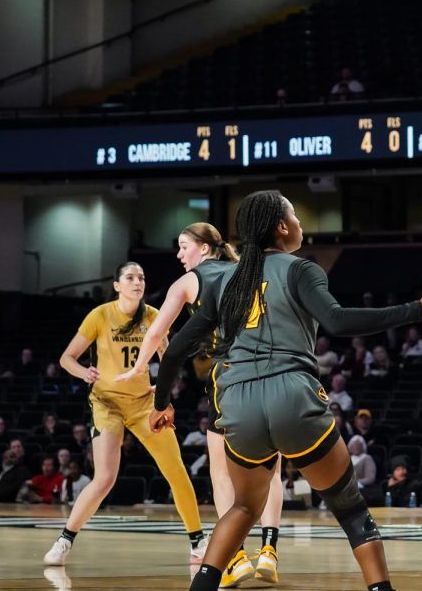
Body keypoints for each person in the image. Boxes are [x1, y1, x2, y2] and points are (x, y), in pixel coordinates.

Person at [148, 190, 422, 591]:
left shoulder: (225, 280)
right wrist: (418, 309)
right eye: (294, 216)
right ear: (281, 226)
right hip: (291, 395)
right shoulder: (299, 269)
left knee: (242, 507)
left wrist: (163, 404)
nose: (299, 224)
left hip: (237, 404)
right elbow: (338, 321)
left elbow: (173, 352)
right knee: (350, 509)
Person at [117, 222, 285, 587]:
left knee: (222, 472)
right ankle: (269, 551)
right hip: (273, 376)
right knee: (273, 471)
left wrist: (137, 369)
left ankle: (236, 557)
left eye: (183, 246)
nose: (179, 254)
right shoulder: (248, 272)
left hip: (229, 380)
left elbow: (159, 333)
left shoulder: (190, 281)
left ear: (204, 249)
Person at [43, 262, 206, 568]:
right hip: (107, 403)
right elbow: (66, 358)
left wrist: (164, 399)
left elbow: (168, 361)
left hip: (144, 403)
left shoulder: (154, 316)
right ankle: (65, 540)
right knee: (104, 479)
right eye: (130, 277)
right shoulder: (100, 315)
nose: (137, 282)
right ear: (117, 285)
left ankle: (198, 542)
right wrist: (83, 372)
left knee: (177, 471)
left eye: (141, 277)